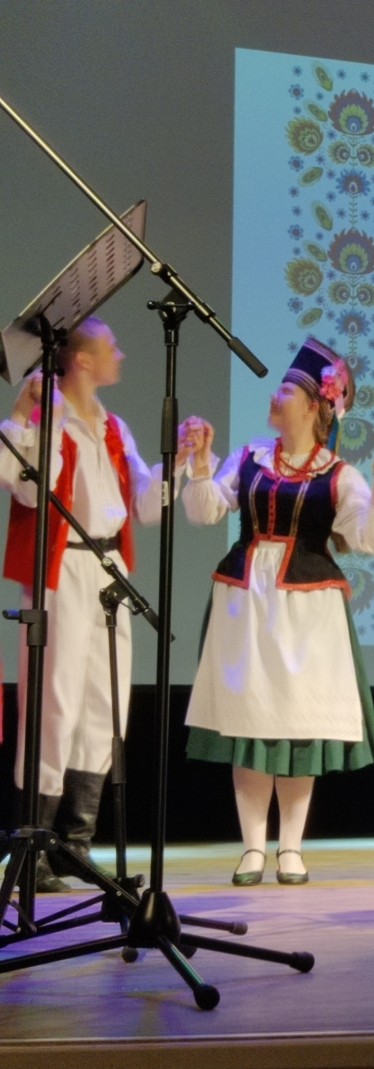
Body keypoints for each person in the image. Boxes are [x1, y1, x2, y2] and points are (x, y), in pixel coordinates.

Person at [178, 339, 374, 885]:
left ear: (312, 406)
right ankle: (252, 848)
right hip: (246, 603)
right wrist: (200, 463)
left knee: (298, 725)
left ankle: (290, 847)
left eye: (286, 389)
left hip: (307, 612)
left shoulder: (340, 474)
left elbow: (370, 538)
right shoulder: (250, 457)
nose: (275, 396)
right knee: (249, 720)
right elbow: (204, 511)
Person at [0, 318, 162, 892]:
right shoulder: (49, 418)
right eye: (110, 346)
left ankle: (75, 844)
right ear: (84, 360)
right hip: (62, 567)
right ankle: (33, 848)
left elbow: (144, 505)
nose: (120, 354)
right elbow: (25, 486)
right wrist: (27, 417)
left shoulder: (113, 427)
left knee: (104, 705)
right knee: (55, 702)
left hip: (108, 566)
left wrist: (181, 464)